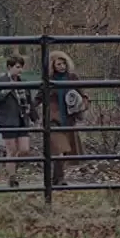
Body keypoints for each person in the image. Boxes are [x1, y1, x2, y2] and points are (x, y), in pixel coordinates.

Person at [35, 50, 90, 186]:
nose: (62, 66)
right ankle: (60, 179)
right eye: (58, 64)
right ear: (52, 65)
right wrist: (30, 111)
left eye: (63, 63)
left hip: (69, 119)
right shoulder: (48, 80)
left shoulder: (72, 78)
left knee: (64, 152)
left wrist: (82, 105)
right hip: (53, 120)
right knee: (60, 149)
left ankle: (55, 179)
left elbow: (83, 95)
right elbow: (38, 97)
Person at [0, 55, 38, 188]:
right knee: (12, 150)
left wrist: (35, 117)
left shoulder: (23, 82)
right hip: (7, 119)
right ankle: (12, 178)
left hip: (22, 119)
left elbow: (29, 102)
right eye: (17, 67)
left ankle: (11, 168)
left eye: (21, 67)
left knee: (24, 149)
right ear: (9, 67)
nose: (20, 70)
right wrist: (6, 90)